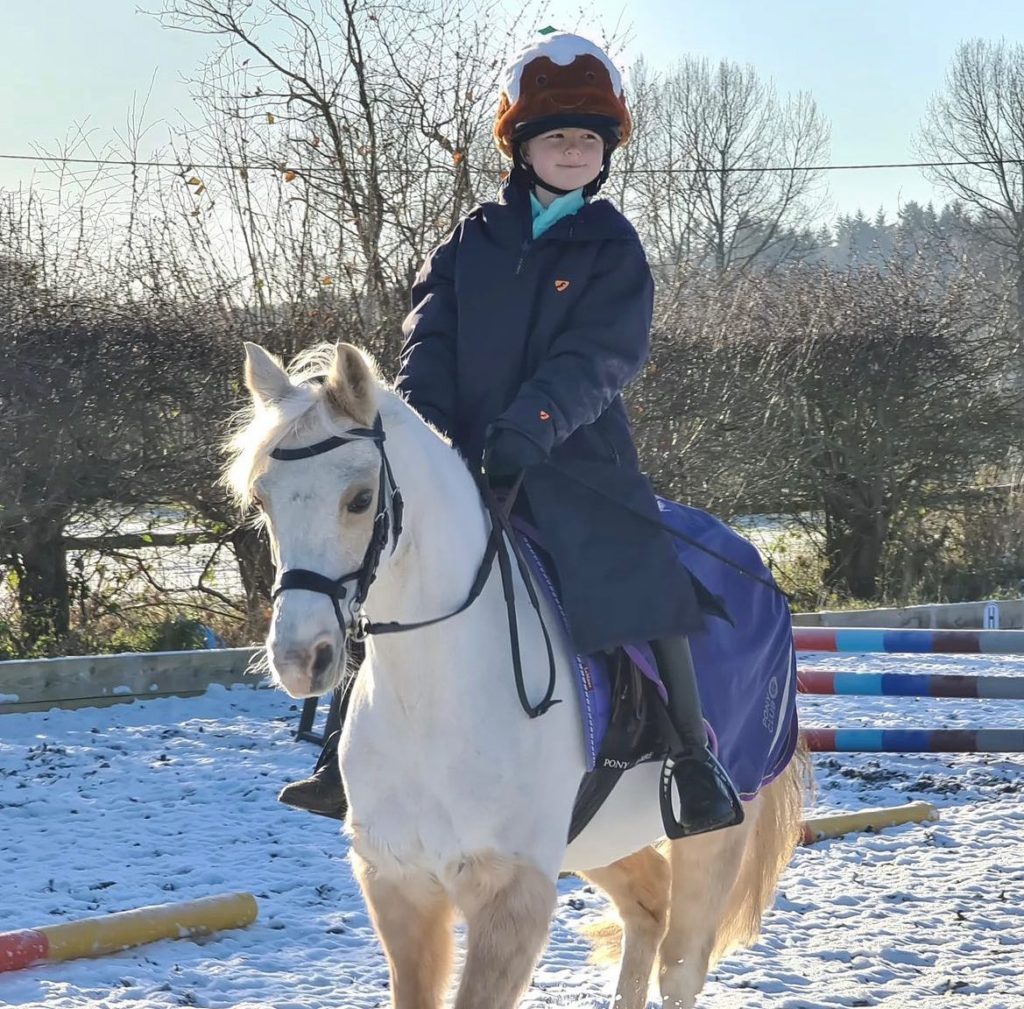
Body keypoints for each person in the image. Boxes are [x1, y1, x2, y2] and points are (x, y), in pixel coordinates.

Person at [280, 31, 742, 836]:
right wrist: (424, 430)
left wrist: (531, 425)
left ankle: (689, 759)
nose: (573, 149)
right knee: (383, 574)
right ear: (521, 146)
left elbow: (602, 353)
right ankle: (340, 757)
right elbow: (430, 339)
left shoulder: (614, 246)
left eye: (588, 139)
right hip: (457, 457)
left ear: (606, 154)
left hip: (577, 462)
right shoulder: (468, 242)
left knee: (643, 575)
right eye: (557, 136)